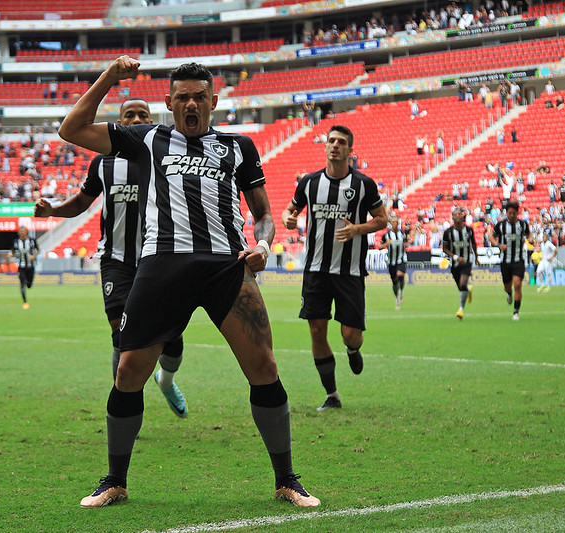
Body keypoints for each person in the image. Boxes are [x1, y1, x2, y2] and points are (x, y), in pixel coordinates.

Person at [58, 56, 320, 508]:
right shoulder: (147, 138)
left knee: (264, 368)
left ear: (214, 101)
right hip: (162, 265)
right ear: (169, 103)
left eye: (200, 96)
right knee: (128, 372)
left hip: (226, 266)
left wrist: (263, 244)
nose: (191, 104)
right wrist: (110, 78)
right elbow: (72, 128)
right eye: (182, 98)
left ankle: (286, 479)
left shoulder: (240, 147)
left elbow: (263, 215)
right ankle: (115, 480)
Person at [33, 98, 187, 418]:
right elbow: (81, 203)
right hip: (116, 259)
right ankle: (126, 405)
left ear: (152, 120)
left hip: (158, 258)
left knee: (172, 340)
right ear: (117, 122)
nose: (134, 119)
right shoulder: (103, 162)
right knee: (122, 332)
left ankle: (166, 379)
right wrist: (53, 211)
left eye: (142, 115)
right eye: (128, 115)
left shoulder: (168, 158)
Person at [280, 125, 387, 410]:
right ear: (325, 147)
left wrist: (357, 229)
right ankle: (332, 395)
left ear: (350, 150)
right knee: (317, 330)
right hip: (315, 270)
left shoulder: (364, 185)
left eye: (341, 142)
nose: (335, 145)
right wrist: (288, 218)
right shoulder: (309, 183)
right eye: (331, 141)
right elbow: (289, 210)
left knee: (350, 334)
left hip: (349, 271)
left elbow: (382, 220)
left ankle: (353, 349)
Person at [488, 202, 533, 320]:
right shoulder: (501, 225)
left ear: (517, 213)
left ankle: (516, 312)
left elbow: (529, 234)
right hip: (505, 261)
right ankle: (509, 293)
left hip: (519, 260)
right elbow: (491, 236)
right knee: (507, 286)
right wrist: (498, 245)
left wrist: (530, 239)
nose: (511, 215)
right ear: (506, 213)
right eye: (509, 213)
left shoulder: (522, 225)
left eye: (514, 213)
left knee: (517, 284)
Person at [442, 208, 479, 320]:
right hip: (455, 263)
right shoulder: (448, 232)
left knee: (462, 284)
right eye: (455, 214)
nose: (458, 216)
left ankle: (461, 309)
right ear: (452, 217)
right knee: (461, 287)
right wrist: (456, 257)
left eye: (460, 214)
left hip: (467, 261)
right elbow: (444, 248)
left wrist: (476, 258)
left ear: (463, 216)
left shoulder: (469, 230)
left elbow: (473, 244)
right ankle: (468, 290)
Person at [378, 213, 409, 310]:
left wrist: (409, 242)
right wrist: (385, 244)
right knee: (394, 281)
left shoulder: (402, 234)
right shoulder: (386, 235)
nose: (395, 224)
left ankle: (401, 292)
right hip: (391, 261)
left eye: (396, 222)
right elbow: (379, 247)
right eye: (393, 222)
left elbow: (405, 244)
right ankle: (397, 296)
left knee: (400, 275)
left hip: (401, 259)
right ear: (390, 223)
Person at [9, 226, 38, 309]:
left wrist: (34, 256)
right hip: (21, 266)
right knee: (22, 284)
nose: (22, 233)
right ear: (18, 232)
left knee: (29, 285)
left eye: (23, 231)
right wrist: (11, 255)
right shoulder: (16, 242)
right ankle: (25, 302)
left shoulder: (32, 241)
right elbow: (13, 251)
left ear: (26, 232)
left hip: (31, 266)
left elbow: (38, 250)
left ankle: (28, 283)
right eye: (20, 231)